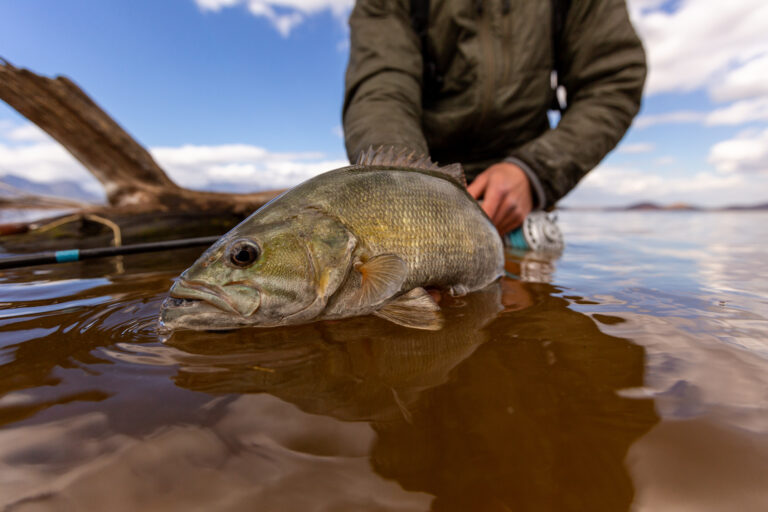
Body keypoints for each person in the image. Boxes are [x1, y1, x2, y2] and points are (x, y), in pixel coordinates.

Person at [342, 0, 646, 235]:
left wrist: (533, 173)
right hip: (418, 193)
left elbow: (612, 80)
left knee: (531, 310)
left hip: (524, 201)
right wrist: (407, 192)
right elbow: (381, 90)